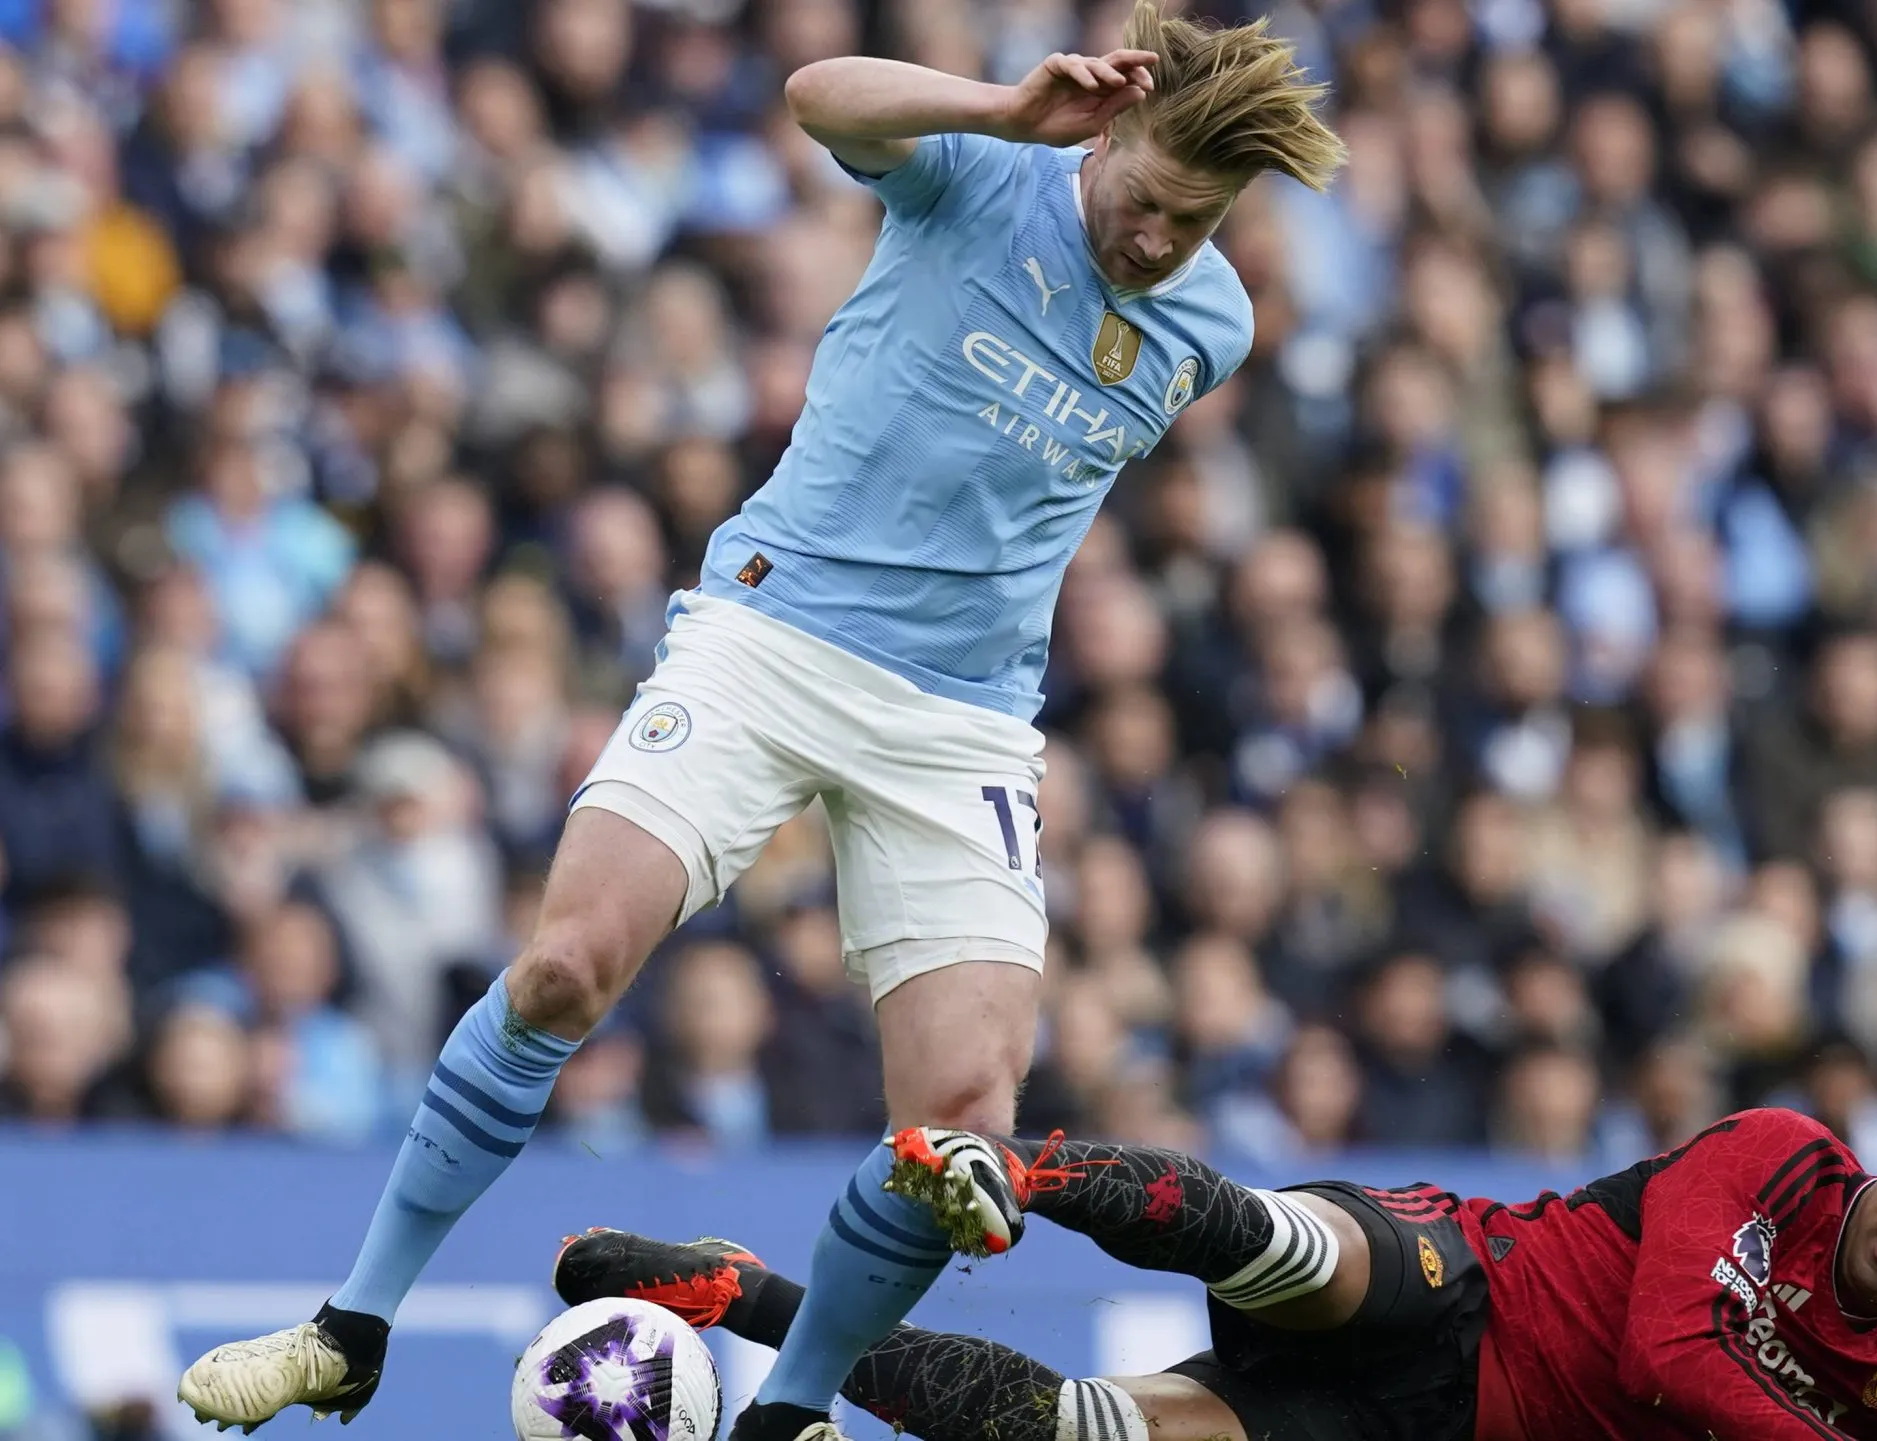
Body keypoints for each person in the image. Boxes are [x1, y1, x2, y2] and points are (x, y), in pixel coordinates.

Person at [175, 9, 1345, 1441]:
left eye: (1197, 222)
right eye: (1151, 201)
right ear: (1108, 135)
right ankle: (348, 1328)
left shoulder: (1211, 322)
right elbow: (819, 95)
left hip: (959, 722)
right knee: (564, 970)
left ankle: (784, 1416)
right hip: (773, 634)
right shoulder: (978, 172)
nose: (1160, 243)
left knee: (959, 1123)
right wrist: (996, 104)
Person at [554, 1104, 1877, 1441]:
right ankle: (1010, 1173)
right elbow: (1668, 1351)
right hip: (1462, 1280)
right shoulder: (1782, 1155)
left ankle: (743, 1296)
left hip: (1426, 1439)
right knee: (1282, 1249)